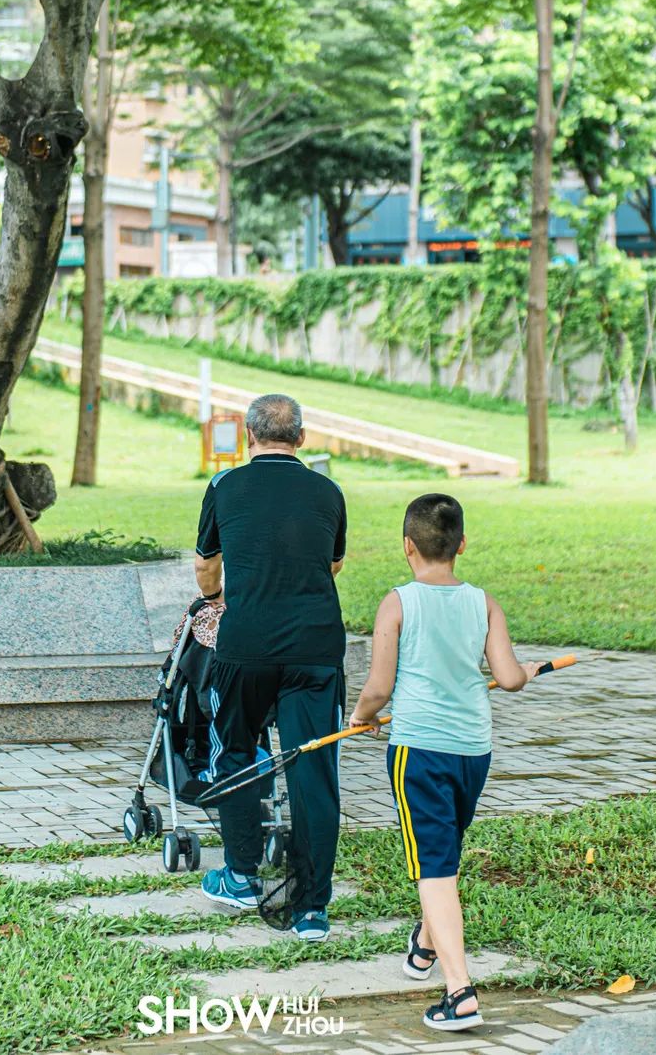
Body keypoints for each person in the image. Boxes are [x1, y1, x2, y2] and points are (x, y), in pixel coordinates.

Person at [348, 493, 544, 1032]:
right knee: (445, 852)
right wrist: (524, 670)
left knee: (434, 867)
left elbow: (379, 686)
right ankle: (424, 946)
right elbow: (507, 679)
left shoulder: (398, 603)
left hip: (419, 750)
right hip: (472, 751)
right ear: (461, 545)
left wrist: (361, 716)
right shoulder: (483, 602)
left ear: (407, 547)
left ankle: (459, 993)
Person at [194, 393, 347, 942]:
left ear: (249, 438)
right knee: (314, 769)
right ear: (301, 439)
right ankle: (310, 909)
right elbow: (332, 562)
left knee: (235, 750)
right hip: (316, 648)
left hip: (246, 645)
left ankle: (239, 875)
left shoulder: (224, 487)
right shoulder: (328, 491)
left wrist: (215, 600)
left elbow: (207, 561)